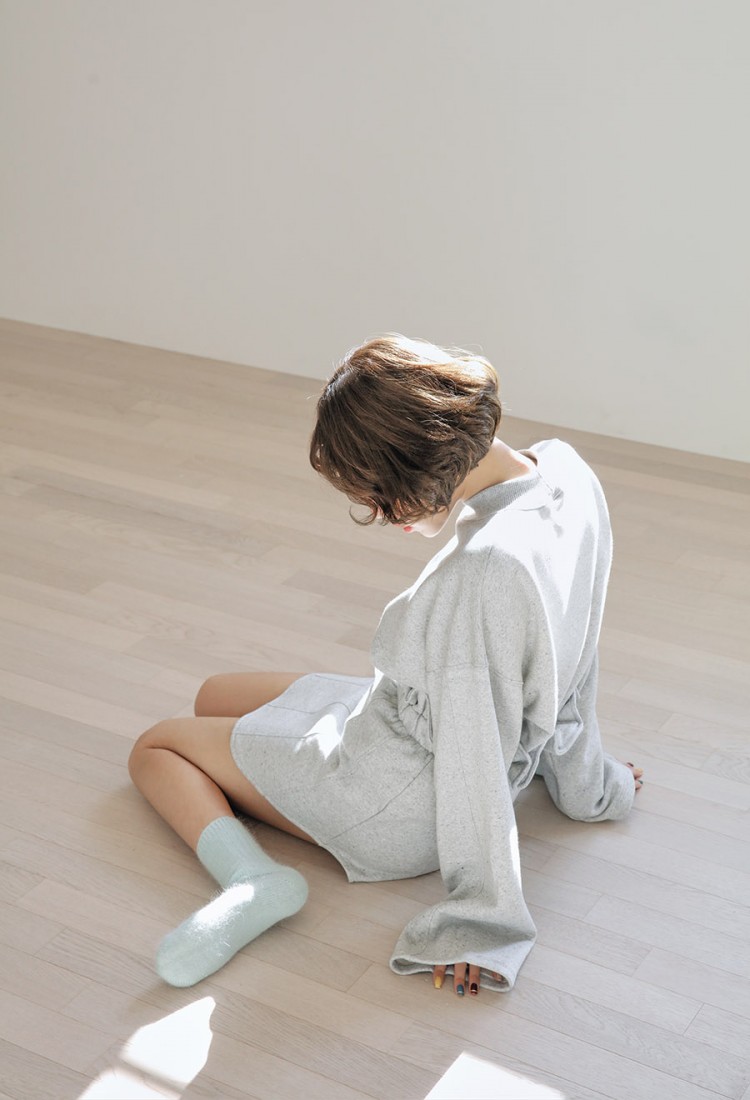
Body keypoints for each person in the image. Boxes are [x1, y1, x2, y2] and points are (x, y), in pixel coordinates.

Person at [128, 334, 643, 998]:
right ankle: (267, 799)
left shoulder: (483, 574)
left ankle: (255, 880)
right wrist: (589, 783)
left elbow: (471, 756)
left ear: (417, 465)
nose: (375, 513)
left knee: (157, 746)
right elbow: (575, 651)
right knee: (213, 692)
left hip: (389, 801)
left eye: (379, 494)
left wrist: (480, 921)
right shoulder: (568, 471)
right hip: (398, 724)